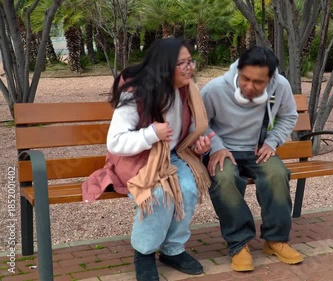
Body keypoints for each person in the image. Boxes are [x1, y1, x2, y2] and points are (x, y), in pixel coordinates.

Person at [82, 38, 214, 281]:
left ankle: (173, 249)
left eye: (190, 61)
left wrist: (199, 145)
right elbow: (116, 142)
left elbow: (188, 132)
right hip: (137, 159)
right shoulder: (136, 92)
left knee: (187, 187)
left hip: (171, 155)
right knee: (160, 195)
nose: (189, 68)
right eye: (181, 63)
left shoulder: (187, 89)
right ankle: (144, 252)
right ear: (164, 66)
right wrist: (151, 133)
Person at [200, 46, 303, 272]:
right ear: (238, 70)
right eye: (245, 78)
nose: (249, 87)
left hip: (258, 150)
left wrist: (272, 141)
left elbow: (289, 116)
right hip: (223, 150)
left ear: (270, 79)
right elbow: (199, 124)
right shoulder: (214, 89)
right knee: (224, 178)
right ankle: (239, 243)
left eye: (258, 82)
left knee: (277, 174)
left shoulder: (281, 86)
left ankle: (275, 240)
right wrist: (216, 146)